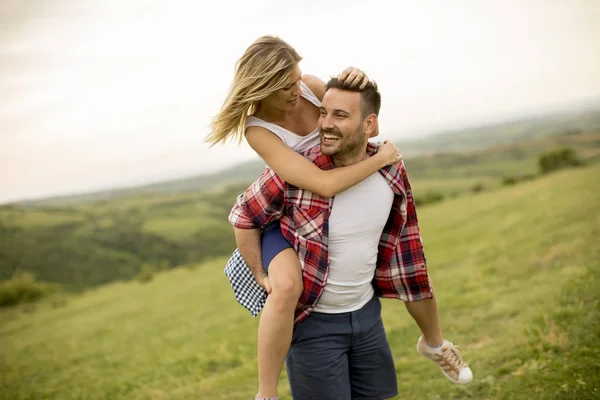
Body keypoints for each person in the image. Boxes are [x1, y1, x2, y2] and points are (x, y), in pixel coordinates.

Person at [229, 77, 473, 399]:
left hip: (368, 319)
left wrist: (432, 336)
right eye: (323, 113)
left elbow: (407, 251)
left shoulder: (391, 171)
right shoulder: (298, 175)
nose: (325, 125)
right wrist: (260, 271)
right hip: (315, 330)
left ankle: (436, 345)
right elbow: (244, 214)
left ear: (369, 125)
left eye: (340, 116)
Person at [207, 36, 402, 400]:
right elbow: (322, 184)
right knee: (285, 289)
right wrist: (382, 159)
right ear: (263, 87)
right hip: (287, 217)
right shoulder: (259, 130)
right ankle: (266, 393)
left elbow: (354, 121)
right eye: (284, 85)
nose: (296, 88)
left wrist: (356, 79)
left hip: (330, 211)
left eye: (296, 77)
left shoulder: (312, 88)